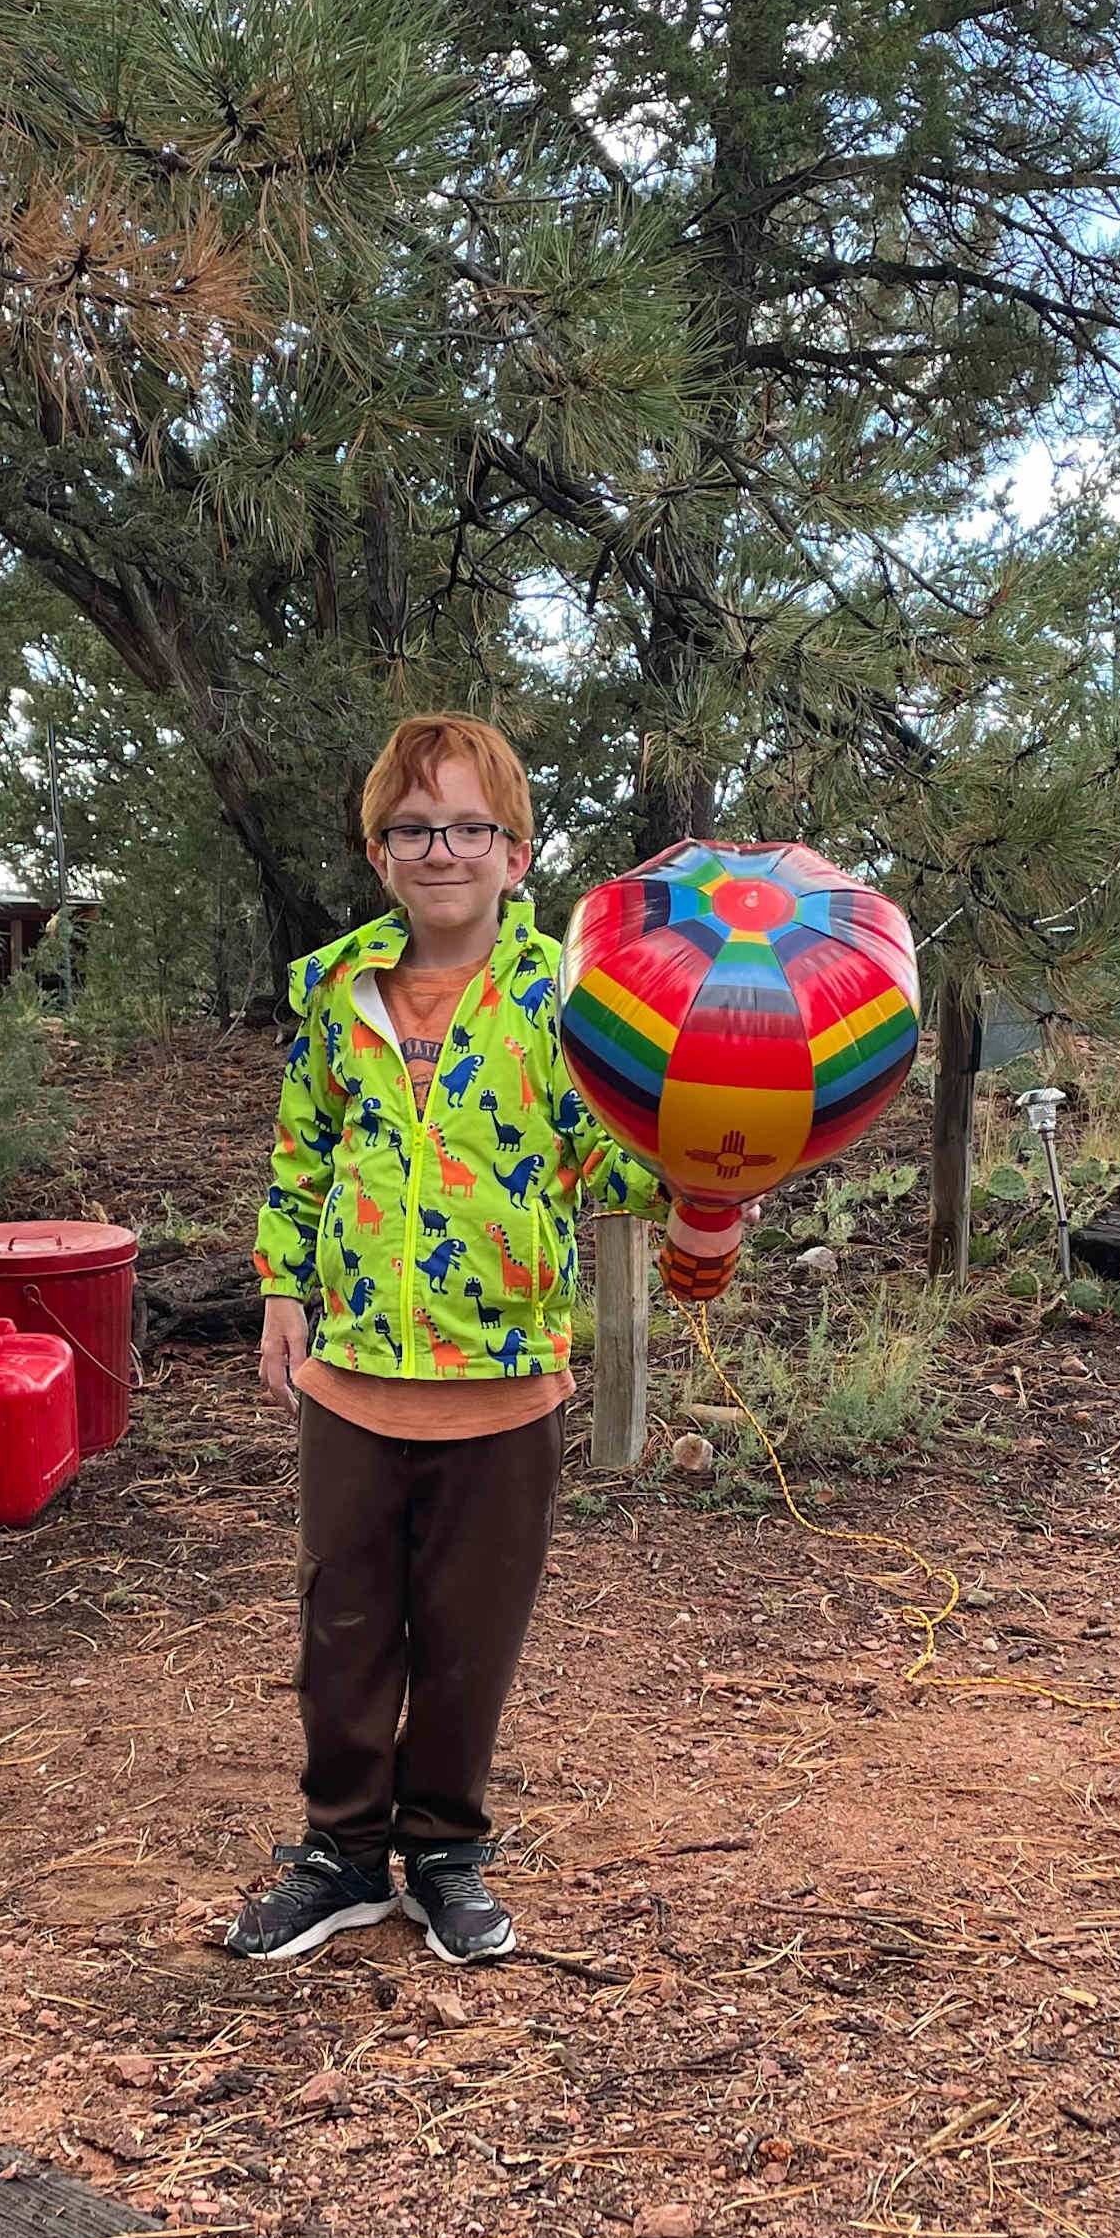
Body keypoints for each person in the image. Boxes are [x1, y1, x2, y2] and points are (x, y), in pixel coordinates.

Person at [233, 712, 653, 1965]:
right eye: (414, 829)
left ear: (518, 855)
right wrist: (280, 1291)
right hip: (356, 1380)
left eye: (471, 827)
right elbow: (304, 1155)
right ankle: (346, 1854)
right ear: (378, 854)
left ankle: (446, 1853)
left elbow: (607, 1156)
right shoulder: (334, 988)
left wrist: (698, 1175)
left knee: (470, 1635)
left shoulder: (573, 1000)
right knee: (347, 1624)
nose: (442, 850)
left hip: (506, 1382)